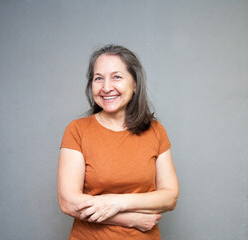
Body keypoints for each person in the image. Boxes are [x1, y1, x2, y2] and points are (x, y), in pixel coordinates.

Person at [57, 44, 179, 240]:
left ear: (135, 84)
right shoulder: (77, 130)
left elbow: (169, 197)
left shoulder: (156, 131)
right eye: (98, 78)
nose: (106, 88)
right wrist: (129, 219)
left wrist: (116, 202)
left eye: (117, 77)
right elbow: (68, 202)